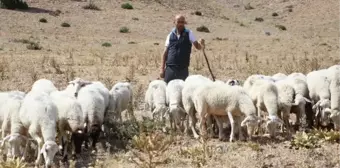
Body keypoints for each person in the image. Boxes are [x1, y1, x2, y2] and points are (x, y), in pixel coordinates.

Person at [160, 14, 205, 83]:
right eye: (179, 22)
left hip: (183, 69)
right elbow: (165, 53)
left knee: (182, 91)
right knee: (167, 89)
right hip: (170, 68)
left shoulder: (189, 33)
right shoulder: (170, 35)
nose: (181, 24)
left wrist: (201, 44)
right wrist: (162, 69)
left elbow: (197, 47)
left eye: (182, 22)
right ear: (174, 22)